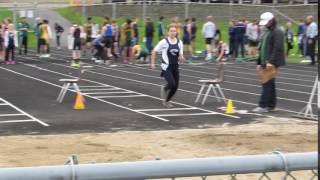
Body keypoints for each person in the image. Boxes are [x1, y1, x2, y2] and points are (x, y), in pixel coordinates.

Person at [252, 12, 285, 113]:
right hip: (264, 62)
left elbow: (277, 48)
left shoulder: (278, 31)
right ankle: (271, 105)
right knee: (270, 83)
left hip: (271, 62)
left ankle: (263, 105)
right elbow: (262, 48)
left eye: (267, 22)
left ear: (272, 20)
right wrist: (258, 63)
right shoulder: (267, 31)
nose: (266, 24)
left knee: (266, 83)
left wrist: (271, 62)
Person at [151, 25, 185, 108]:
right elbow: (154, 51)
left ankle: (167, 101)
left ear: (176, 32)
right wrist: (152, 63)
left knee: (176, 86)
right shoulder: (164, 42)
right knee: (172, 84)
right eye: (171, 31)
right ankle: (165, 88)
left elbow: (180, 54)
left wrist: (181, 57)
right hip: (166, 66)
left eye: (174, 31)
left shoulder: (179, 42)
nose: (173, 33)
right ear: (168, 32)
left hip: (175, 66)